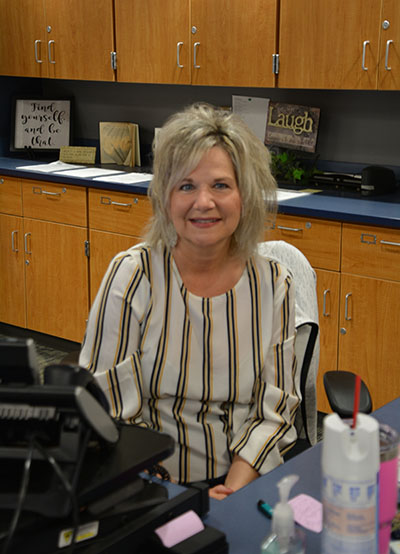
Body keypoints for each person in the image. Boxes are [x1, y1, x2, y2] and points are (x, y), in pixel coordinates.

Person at [79, 103, 300, 500]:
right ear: (165, 198)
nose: (203, 202)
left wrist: (233, 488)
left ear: (245, 196)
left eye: (220, 185)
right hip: (145, 482)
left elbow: (276, 409)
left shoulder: (273, 283)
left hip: (242, 480)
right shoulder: (134, 275)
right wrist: (162, 491)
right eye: (186, 186)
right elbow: (106, 402)